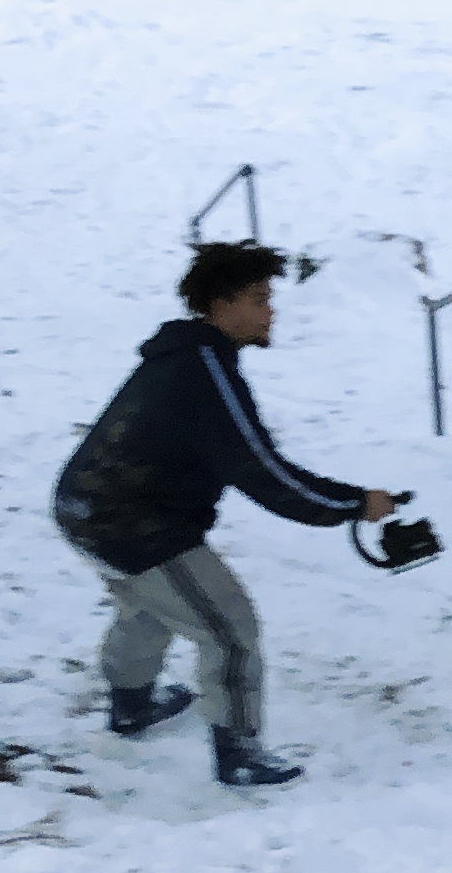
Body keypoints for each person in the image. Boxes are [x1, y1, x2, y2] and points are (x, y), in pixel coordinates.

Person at [53, 241, 402, 791]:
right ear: (221, 304)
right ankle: (238, 750)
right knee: (229, 627)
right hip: (131, 522)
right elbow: (265, 474)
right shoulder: (205, 373)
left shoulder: (186, 359)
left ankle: (131, 706)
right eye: (260, 298)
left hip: (83, 508)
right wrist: (356, 503)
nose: (271, 311)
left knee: (150, 602)